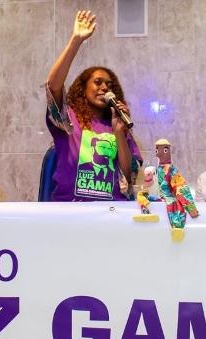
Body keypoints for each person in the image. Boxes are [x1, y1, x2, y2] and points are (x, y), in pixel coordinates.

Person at [45, 10, 141, 201]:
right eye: (98, 82)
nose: (105, 87)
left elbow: (130, 177)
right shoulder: (68, 121)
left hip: (112, 211)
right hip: (71, 211)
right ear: (83, 89)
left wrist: (119, 133)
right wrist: (76, 40)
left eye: (109, 85)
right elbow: (53, 86)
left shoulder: (118, 126)